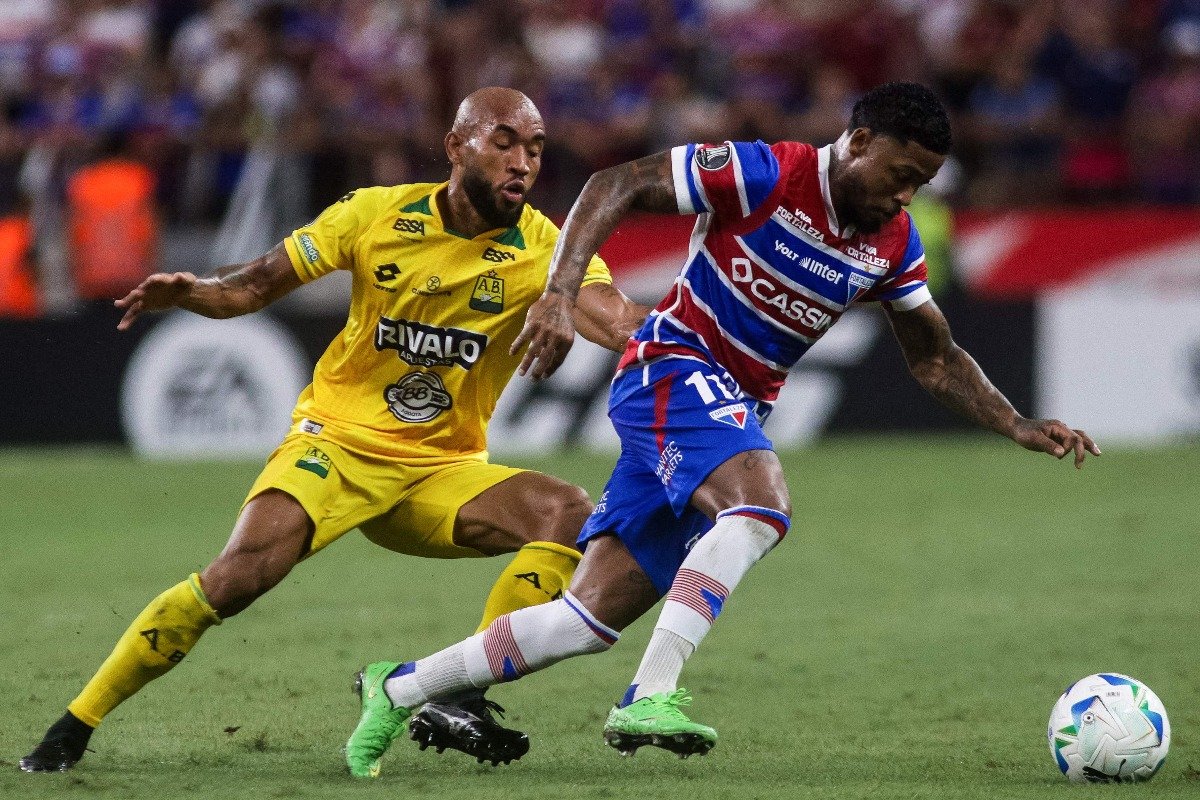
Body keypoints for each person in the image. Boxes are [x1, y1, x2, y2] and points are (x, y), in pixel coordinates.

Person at [341, 82, 1100, 771]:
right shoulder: (768, 172)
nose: (905, 195)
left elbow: (934, 360)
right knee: (761, 505)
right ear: (859, 142)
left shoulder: (893, 242)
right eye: (900, 173)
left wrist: (1015, 422)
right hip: (667, 367)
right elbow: (618, 183)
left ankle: (401, 685)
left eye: (923, 184)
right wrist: (558, 293)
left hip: (720, 413)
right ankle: (649, 694)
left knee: (586, 619)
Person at [19, 87, 647, 776]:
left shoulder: (547, 250)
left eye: (534, 148)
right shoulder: (376, 213)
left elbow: (619, 321)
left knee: (568, 513)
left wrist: (712, 335)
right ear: (456, 146)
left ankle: (460, 689)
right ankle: (74, 724)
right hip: (337, 448)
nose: (521, 162)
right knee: (237, 579)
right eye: (503, 141)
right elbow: (252, 286)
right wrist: (193, 291)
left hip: (441, 471)